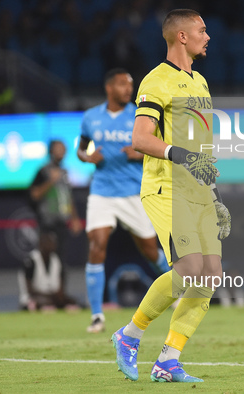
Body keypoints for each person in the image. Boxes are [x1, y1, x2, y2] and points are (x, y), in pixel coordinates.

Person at [111, 9, 231, 383]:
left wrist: (214, 196)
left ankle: (168, 360)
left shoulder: (201, 83)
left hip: (197, 193)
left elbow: (201, 153)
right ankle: (129, 336)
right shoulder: (156, 80)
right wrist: (180, 154)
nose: (207, 36)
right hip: (165, 188)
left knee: (209, 275)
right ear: (181, 37)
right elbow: (140, 139)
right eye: (201, 30)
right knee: (189, 270)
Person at [77, 68, 170, 334]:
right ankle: (97, 315)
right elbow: (81, 149)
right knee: (97, 245)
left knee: (151, 251)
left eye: (130, 85)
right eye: (122, 84)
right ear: (109, 88)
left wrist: (140, 153)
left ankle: (176, 293)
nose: (128, 89)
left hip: (133, 192)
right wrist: (87, 157)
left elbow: (158, 147)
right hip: (102, 192)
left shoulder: (140, 115)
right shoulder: (91, 117)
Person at [29, 140, 83, 256]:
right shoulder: (43, 171)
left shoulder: (64, 172)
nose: (62, 152)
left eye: (63, 149)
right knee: (46, 255)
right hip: (47, 223)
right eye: (58, 148)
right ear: (51, 151)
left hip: (62, 222)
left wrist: (74, 218)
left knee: (60, 257)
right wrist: (51, 181)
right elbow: (34, 194)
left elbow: (68, 196)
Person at [18, 231, 79, 311]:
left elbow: (61, 288)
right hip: (34, 296)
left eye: (53, 242)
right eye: (48, 242)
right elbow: (29, 290)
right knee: (42, 301)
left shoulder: (57, 260)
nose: (51, 245)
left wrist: (59, 297)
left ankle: (51, 306)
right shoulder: (31, 261)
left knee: (72, 301)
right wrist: (49, 297)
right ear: (40, 244)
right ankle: (37, 306)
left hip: (52, 296)